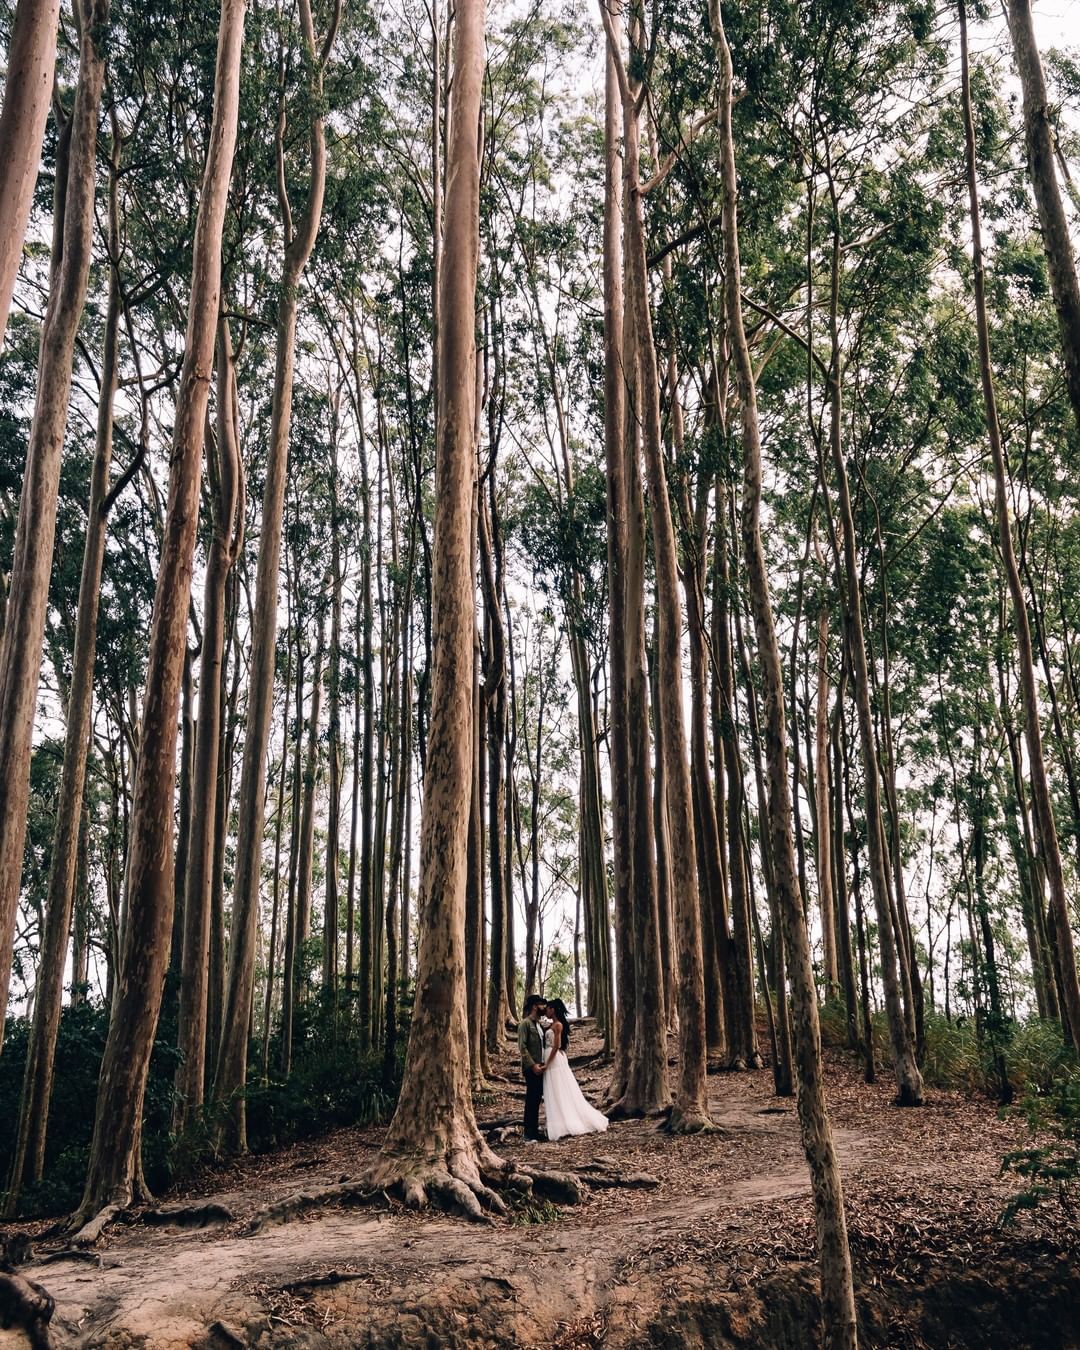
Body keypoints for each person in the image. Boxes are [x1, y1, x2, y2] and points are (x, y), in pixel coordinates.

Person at [540, 998, 609, 1141]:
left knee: (558, 1089)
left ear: (553, 1010)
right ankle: (558, 1121)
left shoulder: (558, 1025)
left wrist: (548, 1063)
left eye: (548, 1008)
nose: (546, 1011)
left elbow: (556, 1046)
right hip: (550, 1057)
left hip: (554, 1059)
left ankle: (565, 1122)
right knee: (553, 1090)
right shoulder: (552, 1024)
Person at [518, 993, 547, 1142]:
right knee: (531, 1099)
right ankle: (528, 1133)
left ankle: (534, 1130)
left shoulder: (539, 1025)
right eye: (542, 1004)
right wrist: (532, 1065)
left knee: (537, 1100)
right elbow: (522, 1047)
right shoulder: (525, 1024)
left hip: (541, 1067)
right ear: (535, 1006)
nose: (544, 1007)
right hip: (531, 1068)